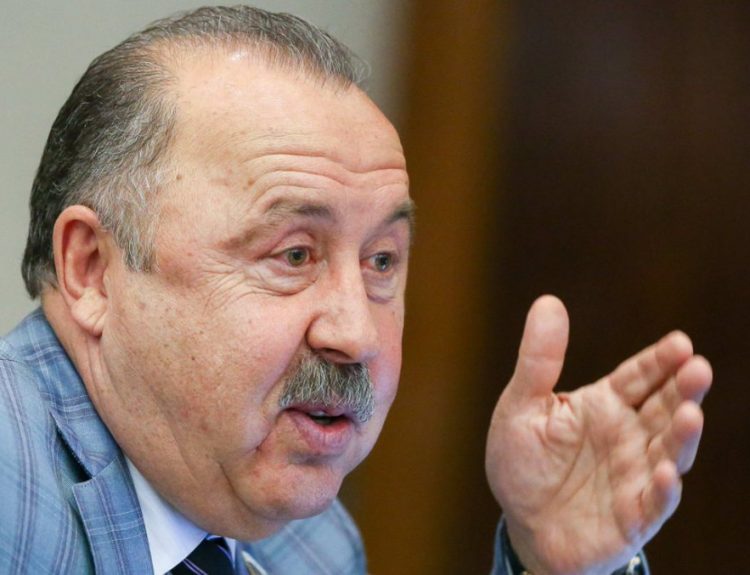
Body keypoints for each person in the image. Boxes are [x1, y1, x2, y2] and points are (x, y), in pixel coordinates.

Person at [0, 6, 711, 575]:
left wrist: (547, 565)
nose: (357, 334)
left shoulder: (311, 545)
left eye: (381, 262)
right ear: (92, 269)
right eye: (294, 254)